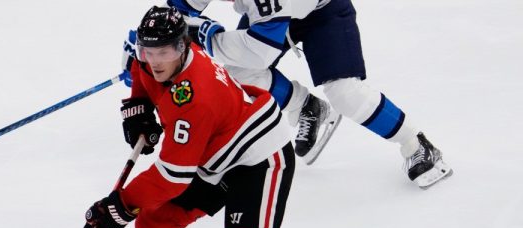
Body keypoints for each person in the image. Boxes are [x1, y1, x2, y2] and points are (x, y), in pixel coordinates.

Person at [86, 6, 364, 228]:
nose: (154, 61)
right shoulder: (154, 57)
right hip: (213, 155)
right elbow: (141, 74)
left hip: (259, 158)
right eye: (147, 51)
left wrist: (121, 205)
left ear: (183, 46)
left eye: (164, 52)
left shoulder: (195, 96)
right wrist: (138, 106)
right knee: (154, 225)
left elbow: (172, 177)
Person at [168, 0, 453, 189]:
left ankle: (415, 143)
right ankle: (306, 107)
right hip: (276, 14)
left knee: (345, 93)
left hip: (324, 12)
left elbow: (259, 50)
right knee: (235, 76)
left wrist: (206, 34)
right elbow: (179, 11)